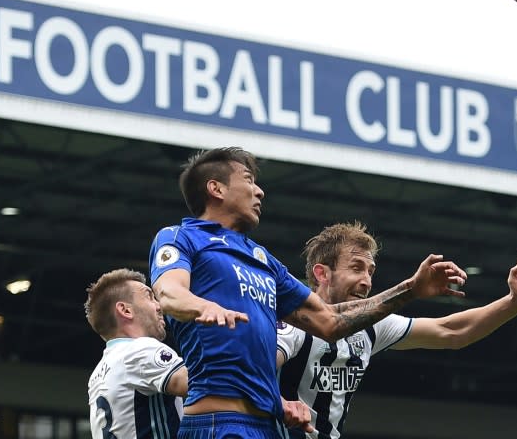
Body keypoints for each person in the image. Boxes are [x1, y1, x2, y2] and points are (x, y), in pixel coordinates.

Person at [149, 147, 468, 439]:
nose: (259, 190)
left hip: (265, 427)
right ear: (215, 189)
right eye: (248, 180)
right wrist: (201, 306)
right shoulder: (181, 237)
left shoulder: (264, 261)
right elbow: (169, 293)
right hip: (218, 422)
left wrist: (411, 289)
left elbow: (328, 321)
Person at [276, 221, 517, 439]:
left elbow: (451, 332)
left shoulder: (370, 327)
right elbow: (247, 371)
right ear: (322, 273)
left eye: (370, 271)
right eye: (356, 268)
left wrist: (514, 302)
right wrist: (280, 403)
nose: (366, 281)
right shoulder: (294, 322)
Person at [85, 268, 188, 439]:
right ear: (125, 310)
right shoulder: (140, 350)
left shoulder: (99, 373)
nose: (159, 306)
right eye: (149, 296)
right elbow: (198, 385)